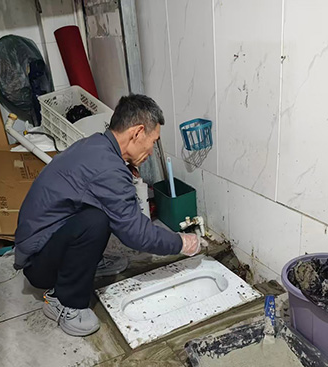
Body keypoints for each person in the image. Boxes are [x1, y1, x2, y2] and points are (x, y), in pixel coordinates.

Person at [14, 94, 201, 337]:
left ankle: (86, 263)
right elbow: (136, 235)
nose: (152, 150)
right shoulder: (108, 169)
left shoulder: (96, 145)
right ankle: (63, 301)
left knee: (99, 211)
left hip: (42, 243)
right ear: (137, 132)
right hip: (38, 265)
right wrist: (180, 242)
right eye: (153, 141)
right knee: (95, 221)